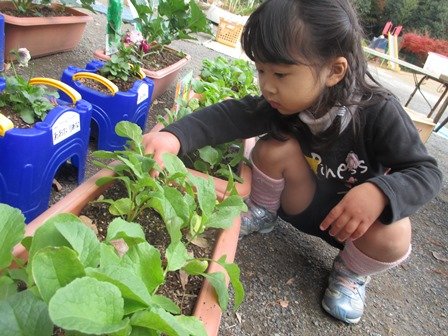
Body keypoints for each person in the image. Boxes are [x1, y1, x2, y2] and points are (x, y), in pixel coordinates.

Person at [142, 0, 442, 325]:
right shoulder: (282, 104)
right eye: (261, 70)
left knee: (397, 234)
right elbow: (231, 115)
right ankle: (263, 212)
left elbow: (425, 172)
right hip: (302, 204)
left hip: (354, 228)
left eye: (281, 73)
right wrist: (174, 136)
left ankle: (350, 273)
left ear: (334, 70)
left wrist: (381, 192)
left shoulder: (377, 112)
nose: (267, 85)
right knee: (274, 148)